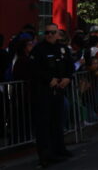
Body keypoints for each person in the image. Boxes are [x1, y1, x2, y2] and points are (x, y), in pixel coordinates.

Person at [29, 23, 74, 166]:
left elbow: (69, 66)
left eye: (52, 32)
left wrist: (67, 77)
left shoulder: (62, 49)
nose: (49, 35)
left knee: (57, 121)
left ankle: (59, 149)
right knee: (44, 125)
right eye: (47, 32)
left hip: (59, 91)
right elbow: (34, 69)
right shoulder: (38, 50)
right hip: (43, 92)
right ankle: (45, 155)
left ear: (57, 34)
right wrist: (49, 79)